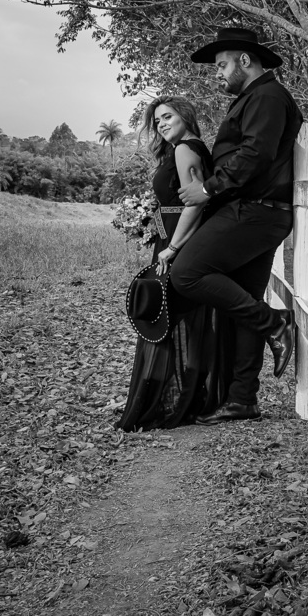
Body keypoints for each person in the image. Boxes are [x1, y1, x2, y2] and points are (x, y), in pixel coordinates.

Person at [170, 26, 299, 425]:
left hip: (255, 212)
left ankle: (273, 322)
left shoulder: (267, 96)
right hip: (258, 212)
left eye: (222, 64)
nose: (218, 72)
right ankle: (243, 399)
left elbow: (255, 155)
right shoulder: (253, 98)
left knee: (186, 273)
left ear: (246, 60)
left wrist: (207, 190)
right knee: (244, 298)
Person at [116, 97, 231, 431]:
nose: (161, 124)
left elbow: (195, 205)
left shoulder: (185, 148)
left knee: (166, 316)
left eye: (167, 116)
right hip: (172, 239)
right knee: (180, 317)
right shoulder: (184, 148)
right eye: (156, 120)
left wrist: (174, 246)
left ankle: (172, 400)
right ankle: (187, 396)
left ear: (185, 115)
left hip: (180, 244)